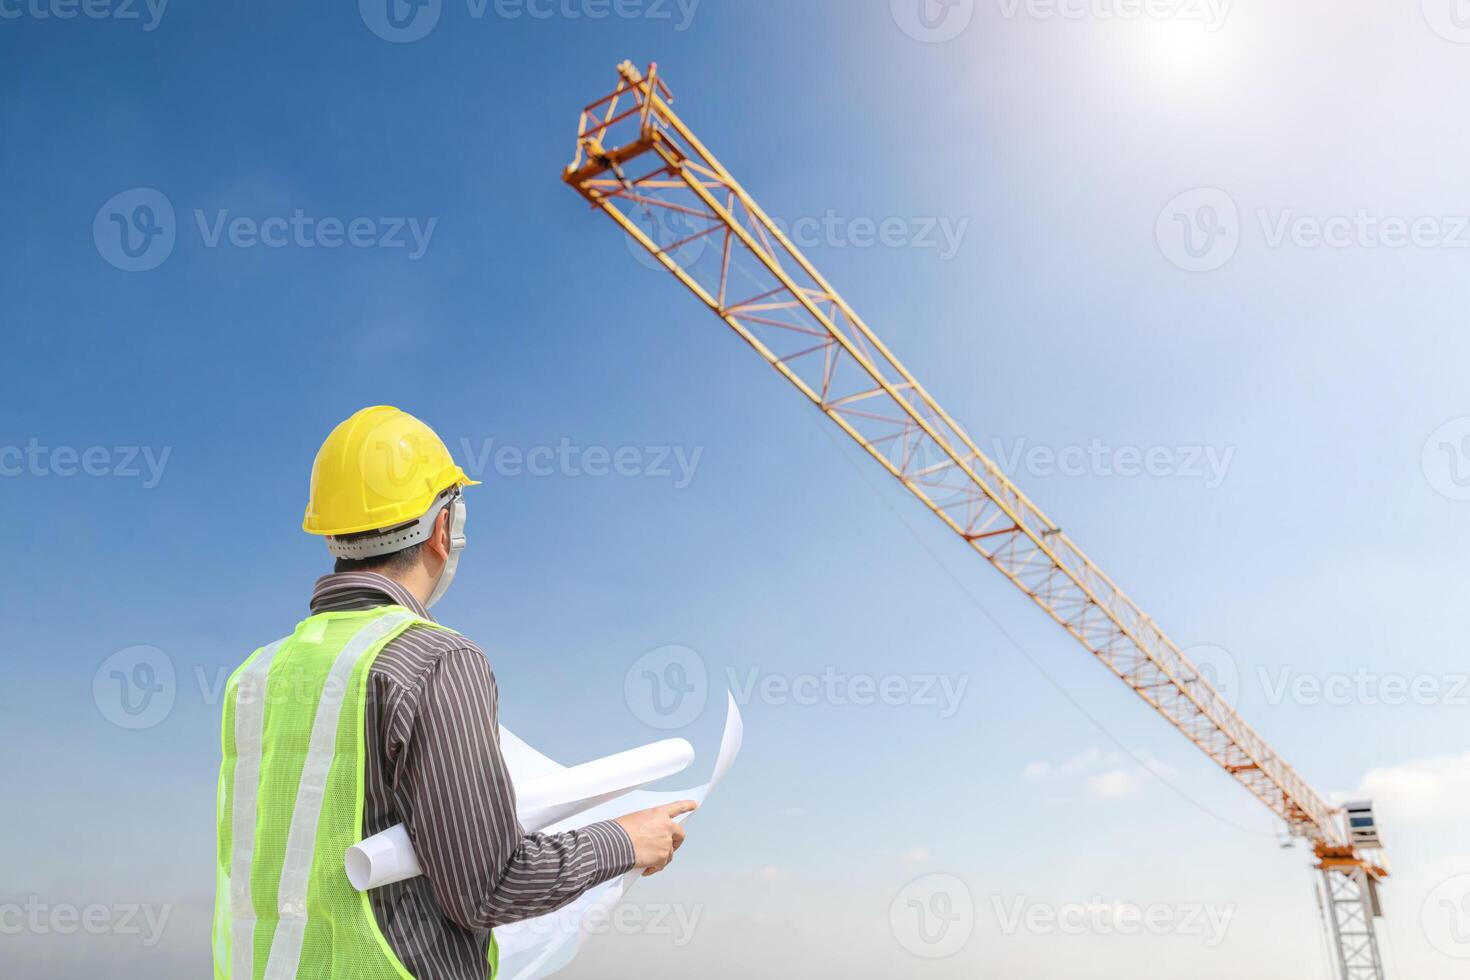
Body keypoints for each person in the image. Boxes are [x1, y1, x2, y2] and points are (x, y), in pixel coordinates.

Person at [212, 405, 695, 980]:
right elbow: (489, 885)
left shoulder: (256, 675)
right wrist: (624, 839)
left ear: (332, 534)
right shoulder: (435, 659)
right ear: (445, 528)